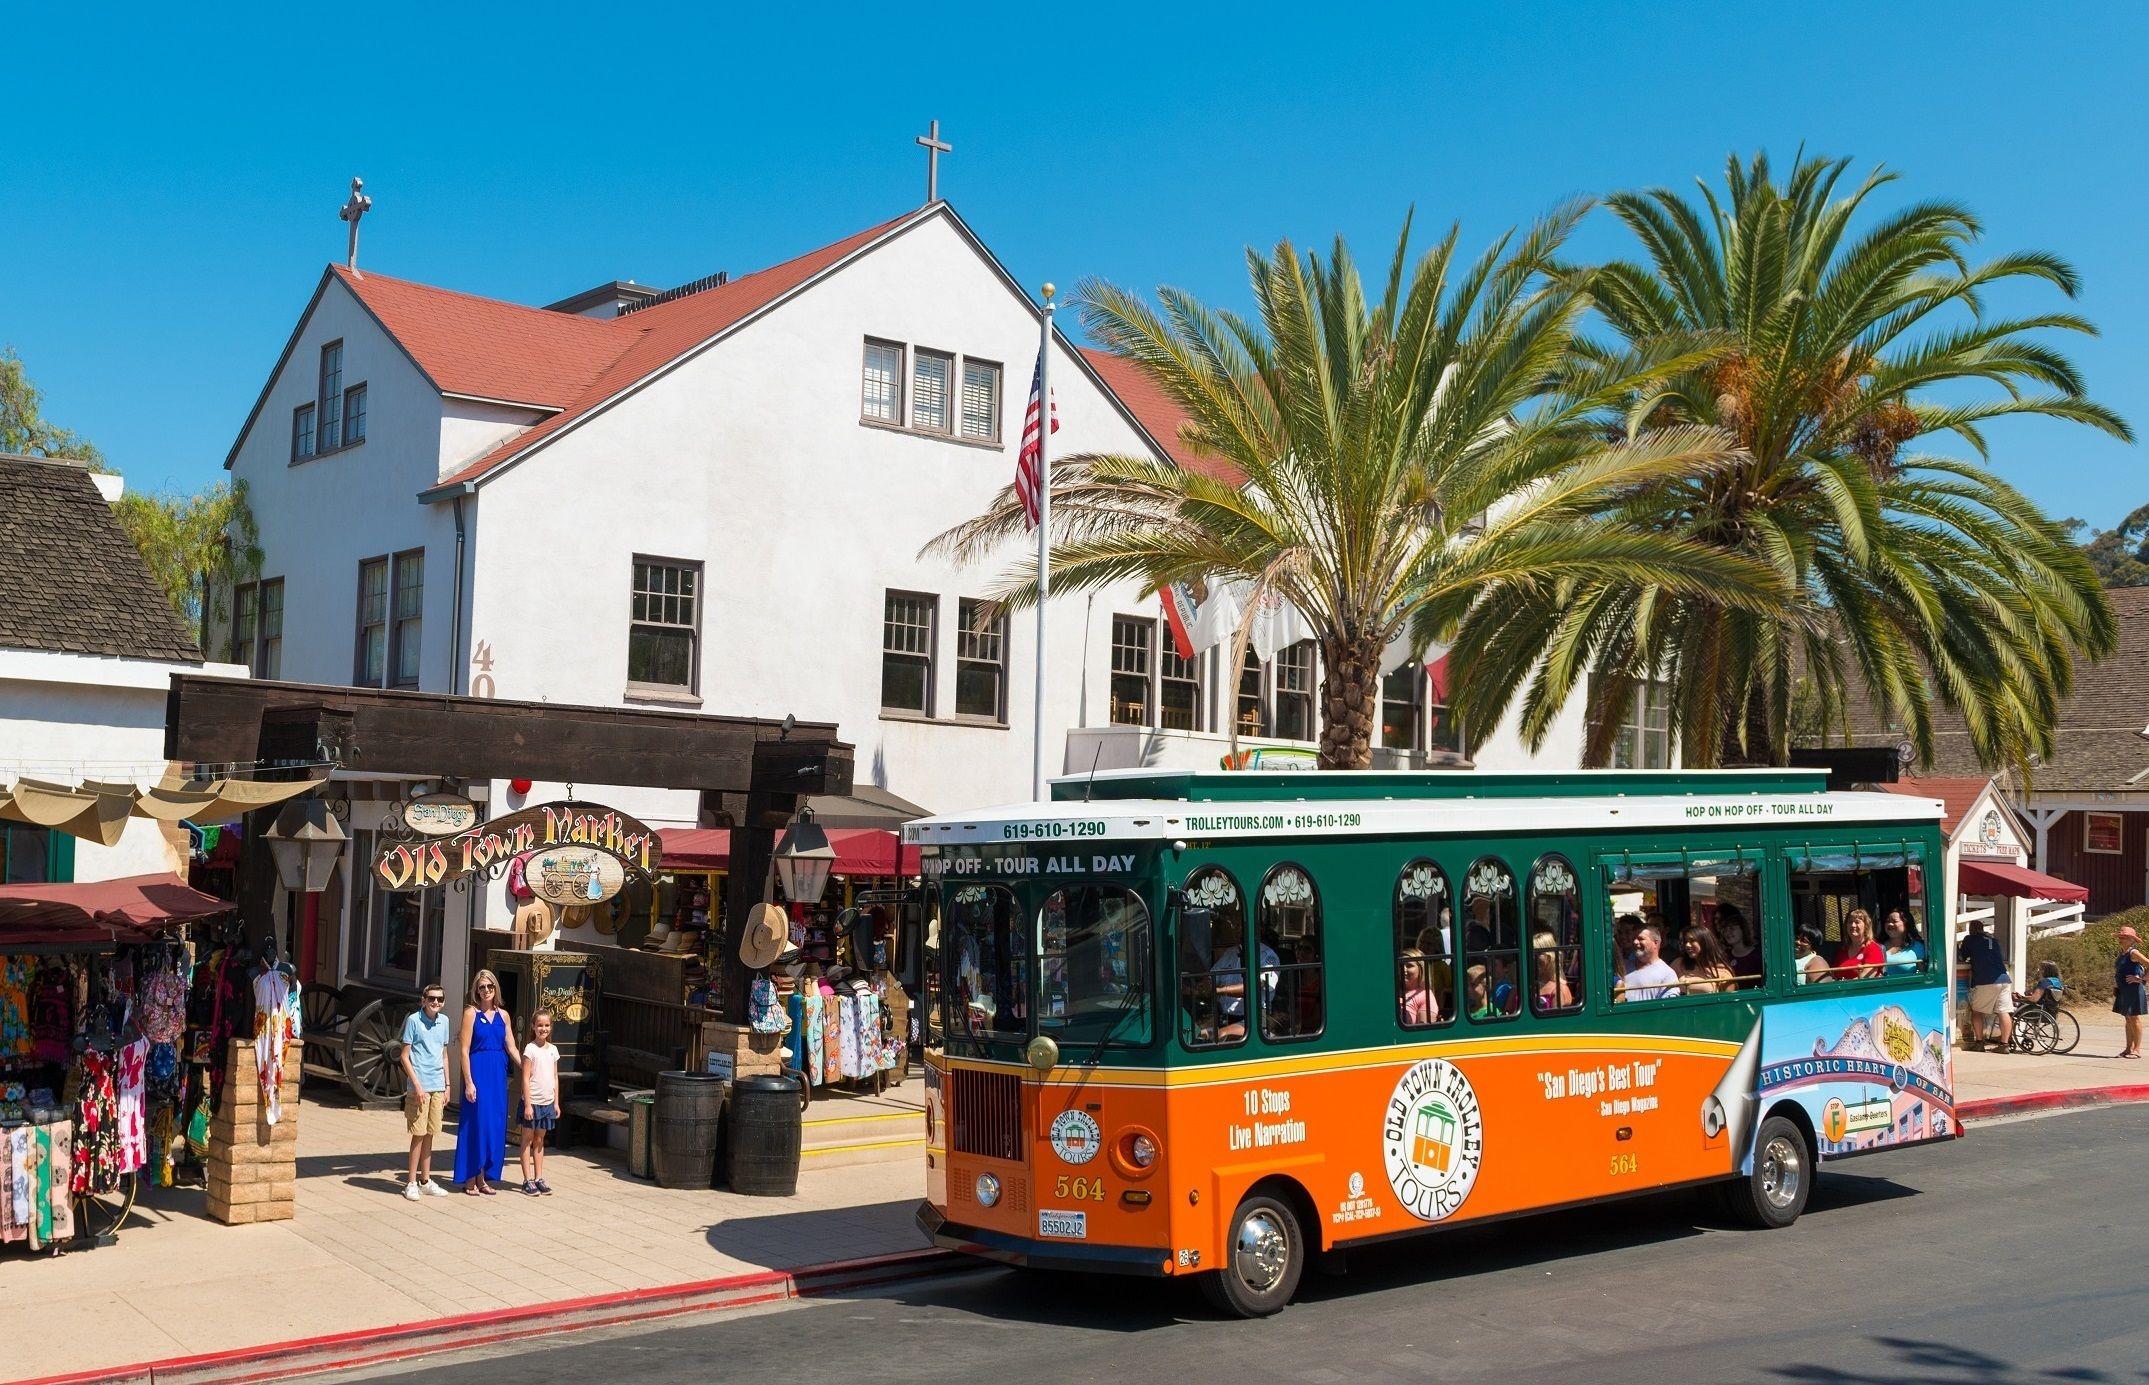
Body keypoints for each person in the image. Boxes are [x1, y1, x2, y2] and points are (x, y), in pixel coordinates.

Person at [454, 969, 512, 1195]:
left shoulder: (504, 1015)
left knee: (492, 1125)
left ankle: (483, 1176)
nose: (486, 990)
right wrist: (468, 1081)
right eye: (482, 987)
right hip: (478, 1071)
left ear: (496, 988)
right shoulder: (471, 1013)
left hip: (498, 1073)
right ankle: (470, 1176)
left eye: (490, 986)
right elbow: (464, 1049)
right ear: (476, 990)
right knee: (475, 1124)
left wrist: (528, 1065)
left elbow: (511, 1046)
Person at [397, 982, 454, 1200]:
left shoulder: (444, 1022)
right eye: (431, 999)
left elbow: (444, 1055)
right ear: (423, 1000)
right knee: (418, 1134)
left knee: (431, 1133)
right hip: (420, 1085)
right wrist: (417, 1085)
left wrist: (448, 1085)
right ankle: (410, 1182)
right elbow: (404, 1056)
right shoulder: (413, 1020)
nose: (436, 1003)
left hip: (438, 1084)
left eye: (440, 999)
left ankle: (425, 1179)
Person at [1211, 917, 1277, 1042]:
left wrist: (1219, 991)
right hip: (1223, 1015)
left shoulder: (1268, 956)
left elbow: (1256, 985)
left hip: (1254, 1018)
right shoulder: (1230, 953)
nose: (1236, 929)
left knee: (1219, 1036)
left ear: (1258, 930)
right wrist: (1201, 987)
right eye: (1235, 925)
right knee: (1199, 1033)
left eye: (1240, 925)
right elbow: (1212, 977)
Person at [519, 1009, 559, 1196]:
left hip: (547, 1102)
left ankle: (539, 1177)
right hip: (532, 1101)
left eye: (546, 1025)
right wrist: (527, 1104)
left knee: (540, 1140)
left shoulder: (553, 1050)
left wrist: (556, 1102)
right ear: (533, 1027)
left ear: (550, 1027)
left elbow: (555, 1077)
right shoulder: (530, 1049)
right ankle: (527, 1180)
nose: (543, 1029)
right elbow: (525, 1078)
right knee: (527, 1139)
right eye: (540, 1025)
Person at [1960, 918, 2012, 1051]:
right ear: (1982, 929)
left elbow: (1963, 956)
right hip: (2004, 978)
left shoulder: (1970, 939)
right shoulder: (1993, 940)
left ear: (1971, 929)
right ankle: (2004, 1045)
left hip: (1986, 980)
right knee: (2004, 1012)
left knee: (1977, 1012)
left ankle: (1979, 1043)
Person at [1616, 925, 1680, 1002]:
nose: (1635, 942)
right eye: (1633, 939)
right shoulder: (1623, 966)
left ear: (1655, 943)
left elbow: (1668, 1006)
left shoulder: (1667, 974)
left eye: (1640, 939)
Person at [2114, 925, 2147, 1059]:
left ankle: (2137, 1049)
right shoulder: (2122, 953)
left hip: (2133, 989)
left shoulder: (2134, 953)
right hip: (2123, 989)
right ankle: (2128, 1048)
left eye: (2125, 937)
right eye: (2120, 937)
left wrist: (2141, 979)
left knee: (2134, 1018)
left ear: (2132, 940)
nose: (2121, 939)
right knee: (2128, 1018)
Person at [1671, 927, 1734, 995]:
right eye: (1686, 941)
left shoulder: (1722, 970)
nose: (1687, 945)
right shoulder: (1679, 963)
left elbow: (1729, 1000)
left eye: (1692, 941)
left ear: (1704, 942)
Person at [1717, 909, 1763, 989]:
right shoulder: (1724, 955)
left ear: (1743, 930)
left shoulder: (1758, 956)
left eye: (1732, 929)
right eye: (1725, 930)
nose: (1727, 933)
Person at [1833, 910, 1885, 981]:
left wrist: (1845, 984)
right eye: (1850, 922)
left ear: (1866, 926)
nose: (1853, 925)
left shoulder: (1873, 948)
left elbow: (1866, 977)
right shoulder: (1843, 950)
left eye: (1857, 922)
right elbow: (1833, 975)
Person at [1532, 933, 1574, 1012]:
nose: (1534, 958)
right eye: (1532, 954)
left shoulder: (1559, 990)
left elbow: (1554, 1022)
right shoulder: (1532, 984)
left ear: (1550, 957)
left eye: (1538, 953)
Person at [1399, 949, 1439, 1026]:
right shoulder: (1391, 990)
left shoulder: (1425, 996)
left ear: (1421, 969)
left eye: (1409, 966)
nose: (1403, 969)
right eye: (1400, 965)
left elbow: (1424, 1032)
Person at [1881, 910, 1926, 976]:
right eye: (1887, 921)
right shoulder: (1878, 946)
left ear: (1906, 924)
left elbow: (1924, 974)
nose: (1890, 924)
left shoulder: (1917, 946)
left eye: (1895, 921)